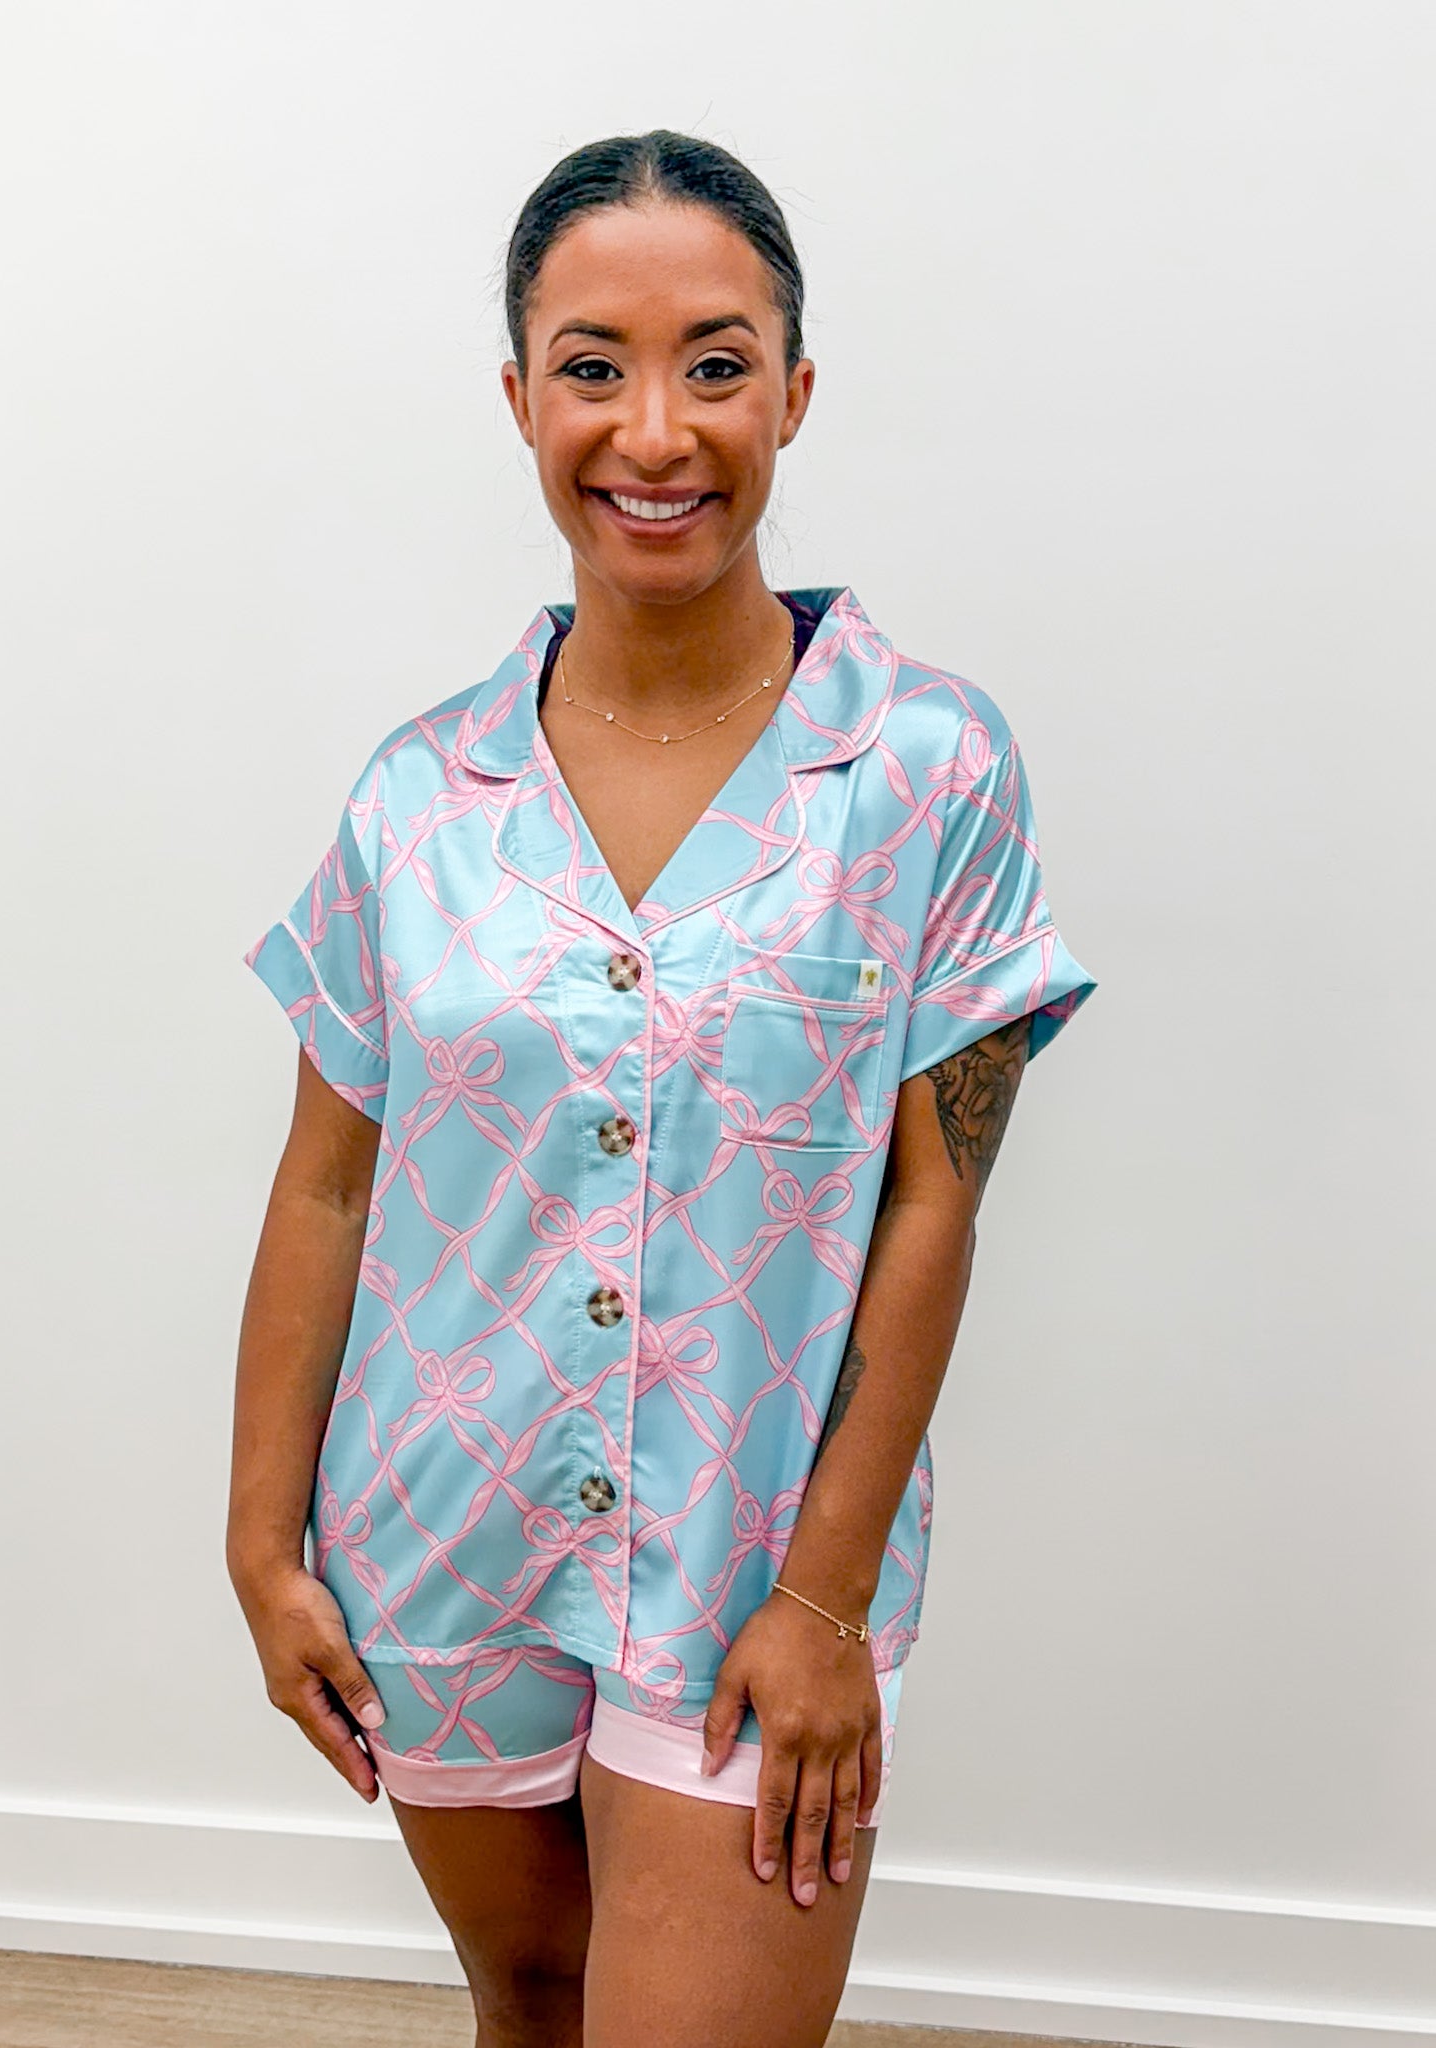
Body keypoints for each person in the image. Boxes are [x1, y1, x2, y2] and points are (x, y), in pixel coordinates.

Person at [228, 129, 1098, 2048]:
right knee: (531, 2003)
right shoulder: (415, 798)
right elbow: (327, 1186)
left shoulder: (928, 768)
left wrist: (829, 1599)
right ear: (519, 399)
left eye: (715, 363)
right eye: (593, 366)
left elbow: (933, 1204)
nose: (654, 430)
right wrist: (260, 1546)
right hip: (436, 1542)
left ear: (794, 389)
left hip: (749, 1568)